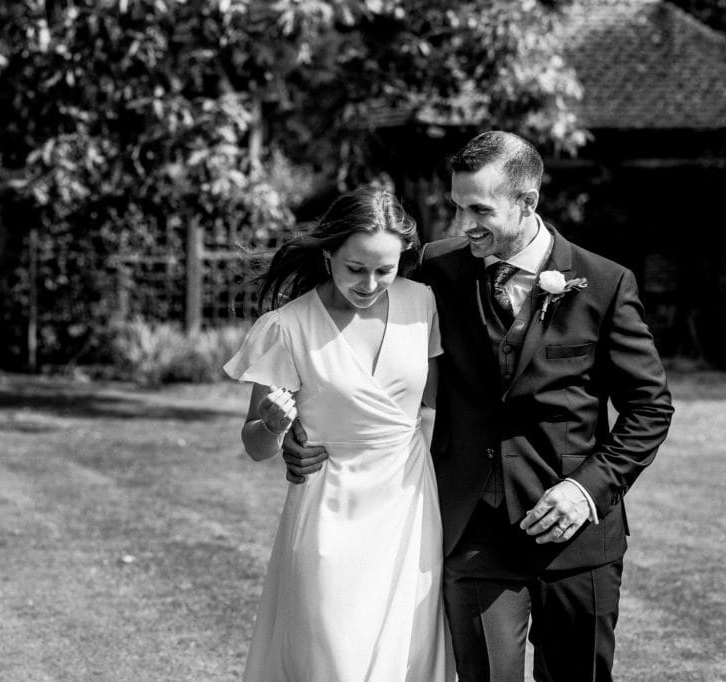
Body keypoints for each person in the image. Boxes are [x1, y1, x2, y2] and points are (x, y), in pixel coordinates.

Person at [283, 131, 674, 681]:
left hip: (578, 536)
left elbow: (649, 408)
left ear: (527, 202)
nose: (463, 223)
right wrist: (306, 423)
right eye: (458, 205)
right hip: (473, 529)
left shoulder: (605, 284)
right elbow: (357, 318)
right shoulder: (438, 269)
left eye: (480, 210)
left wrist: (586, 489)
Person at [223, 186, 454, 681]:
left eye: (385, 270)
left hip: (408, 504)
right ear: (328, 255)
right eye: (355, 268)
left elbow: (438, 400)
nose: (370, 284)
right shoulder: (287, 327)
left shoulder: (422, 303)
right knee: (332, 653)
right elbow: (255, 446)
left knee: (406, 652)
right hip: (329, 506)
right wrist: (274, 426)